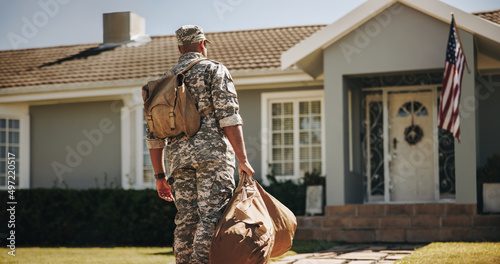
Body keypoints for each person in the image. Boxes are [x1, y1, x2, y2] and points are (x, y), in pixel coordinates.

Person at [145, 25, 255, 264]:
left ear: (179, 48)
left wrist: (159, 176)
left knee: (186, 219)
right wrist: (243, 159)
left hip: (177, 162)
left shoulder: (163, 82)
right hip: (212, 157)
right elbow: (229, 117)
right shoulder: (215, 70)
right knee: (211, 218)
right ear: (203, 44)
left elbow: (153, 135)